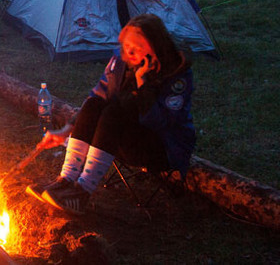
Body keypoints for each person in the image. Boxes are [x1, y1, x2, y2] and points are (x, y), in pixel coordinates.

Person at [26, 14, 195, 215]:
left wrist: (143, 84)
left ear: (154, 46)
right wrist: (65, 129)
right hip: (114, 138)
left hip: (159, 148)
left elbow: (160, 123)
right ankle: (66, 181)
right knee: (94, 105)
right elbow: (99, 93)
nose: (129, 52)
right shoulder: (121, 61)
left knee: (113, 112)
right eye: (127, 45)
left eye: (136, 47)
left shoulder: (175, 74)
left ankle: (82, 193)